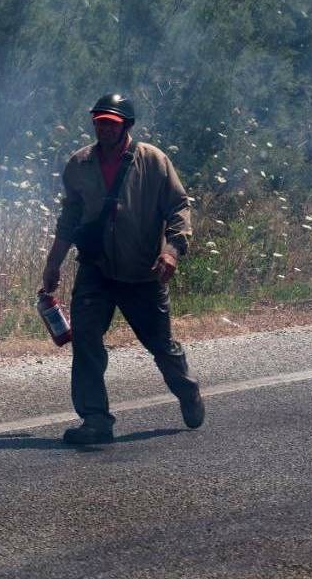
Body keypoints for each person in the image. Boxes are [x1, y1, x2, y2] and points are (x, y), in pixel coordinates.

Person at [41, 93, 205, 445]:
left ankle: (187, 389)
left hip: (143, 273)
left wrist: (171, 252)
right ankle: (95, 421)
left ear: (126, 126)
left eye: (111, 123)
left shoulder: (153, 161)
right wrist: (53, 264)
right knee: (85, 342)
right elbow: (69, 218)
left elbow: (179, 208)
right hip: (95, 270)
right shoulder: (79, 164)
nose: (104, 128)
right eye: (99, 122)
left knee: (161, 345)